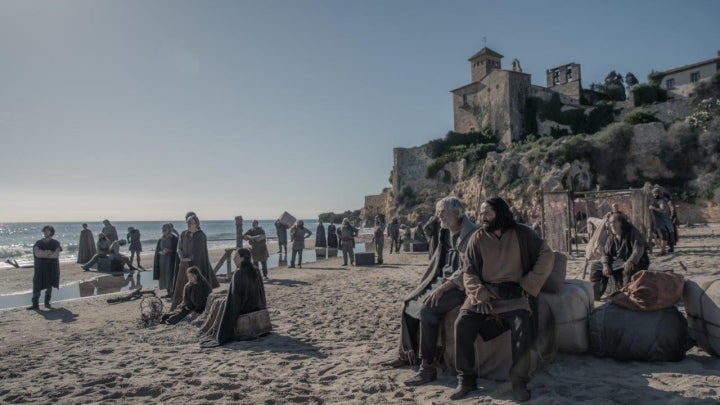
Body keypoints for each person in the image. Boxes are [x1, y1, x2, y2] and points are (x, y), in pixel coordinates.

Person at [452, 196, 554, 402]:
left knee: (521, 323)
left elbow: (547, 253)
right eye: (481, 214)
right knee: (462, 323)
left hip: (515, 294)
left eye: (487, 213)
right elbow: (468, 271)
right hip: (485, 293)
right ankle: (466, 380)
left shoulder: (523, 233)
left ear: (500, 212)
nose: (483, 217)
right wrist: (479, 293)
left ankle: (519, 382)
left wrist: (529, 283)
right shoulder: (477, 238)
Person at [388, 197, 478, 388]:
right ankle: (407, 354)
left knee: (428, 310)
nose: (439, 215)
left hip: (461, 286)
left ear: (457, 212)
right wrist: (432, 283)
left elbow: (469, 269)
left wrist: (445, 286)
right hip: (440, 280)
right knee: (409, 303)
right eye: (438, 211)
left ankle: (427, 367)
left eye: (443, 211)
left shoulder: (471, 234)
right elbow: (439, 259)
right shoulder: (445, 231)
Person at [201, 248, 268, 346]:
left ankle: (215, 331)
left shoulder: (238, 272)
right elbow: (261, 292)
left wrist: (223, 333)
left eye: (236, 256)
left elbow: (234, 299)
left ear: (242, 258)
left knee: (221, 303)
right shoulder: (256, 269)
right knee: (222, 301)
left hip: (245, 309)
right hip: (257, 305)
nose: (233, 258)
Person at [590, 213, 650, 301]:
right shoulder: (612, 236)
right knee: (595, 266)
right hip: (620, 262)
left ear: (621, 223)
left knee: (628, 268)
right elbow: (606, 253)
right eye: (610, 223)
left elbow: (638, 249)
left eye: (614, 222)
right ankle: (595, 295)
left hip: (638, 261)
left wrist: (631, 261)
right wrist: (606, 265)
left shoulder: (632, 232)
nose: (612, 225)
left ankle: (624, 295)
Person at [171, 214, 219, 311]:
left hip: (197, 264)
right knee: (183, 287)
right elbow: (179, 248)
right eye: (188, 222)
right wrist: (182, 258)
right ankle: (182, 305)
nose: (189, 224)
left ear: (196, 223)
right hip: (184, 265)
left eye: (191, 222)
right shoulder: (183, 234)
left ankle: (197, 306)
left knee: (197, 286)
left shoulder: (201, 235)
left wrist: (190, 258)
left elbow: (200, 252)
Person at [27, 225, 62, 310]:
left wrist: (44, 254)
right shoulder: (38, 243)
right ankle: (35, 304)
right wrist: (49, 252)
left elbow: (55, 255)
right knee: (36, 284)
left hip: (51, 267)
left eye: (48, 230)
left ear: (51, 232)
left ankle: (47, 303)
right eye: (45, 231)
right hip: (40, 267)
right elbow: (37, 253)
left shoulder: (55, 243)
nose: (46, 232)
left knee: (49, 284)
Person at [153, 223, 179, 297]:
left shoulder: (174, 238)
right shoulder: (160, 239)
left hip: (170, 260)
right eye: (163, 228)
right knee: (163, 276)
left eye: (165, 228)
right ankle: (168, 292)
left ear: (169, 229)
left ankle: (172, 292)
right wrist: (160, 252)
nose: (163, 230)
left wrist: (169, 250)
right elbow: (158, 250)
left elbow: (177, 249)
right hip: (162, 261)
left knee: (170, 275)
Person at [650, 187, 675, 255]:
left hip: (662, 222)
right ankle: (662, 249)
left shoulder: (661, 200)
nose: (654, 194)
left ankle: (663, 251)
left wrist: (653, 208)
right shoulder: (657, 200)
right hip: (658, 222)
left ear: (659, 193)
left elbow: (663, 210)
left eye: (656, 193)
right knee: (658, 235)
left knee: (663, 235)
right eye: (654, 193)